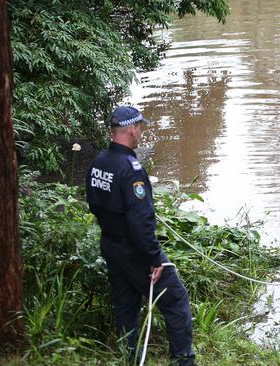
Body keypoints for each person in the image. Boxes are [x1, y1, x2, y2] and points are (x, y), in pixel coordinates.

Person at [85, 106, 195, 365]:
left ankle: (130, 358)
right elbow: (140, 222)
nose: (141, 132)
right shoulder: (131, 169)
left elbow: (94, 205)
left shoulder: (99, 162)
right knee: (176, 300)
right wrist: (156, 258)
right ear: (132, 129)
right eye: (140, 127)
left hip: (110, 245)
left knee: (126, 304)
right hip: (136, 251)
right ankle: (183, 361)